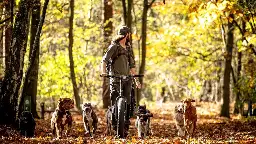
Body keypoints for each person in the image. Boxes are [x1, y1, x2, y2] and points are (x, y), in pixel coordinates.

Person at [101, 25, 141, 136]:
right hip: (115, 79)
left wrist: (136, 81)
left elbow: (132, 67)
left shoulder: (128, 49)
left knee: (127, 102)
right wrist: (104, 72)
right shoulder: (114, 47)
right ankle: (115, 124)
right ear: (127, 35)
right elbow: (104, 60)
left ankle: (125, 125)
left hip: (127, 79)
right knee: (115, 102)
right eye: (128, 35)